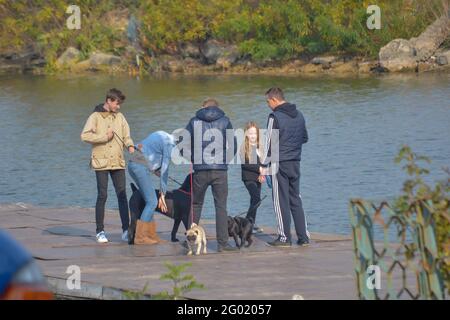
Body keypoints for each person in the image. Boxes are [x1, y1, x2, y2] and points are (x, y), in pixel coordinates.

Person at [81, 88, 135, 244]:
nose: (119, 107)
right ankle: (100, 232)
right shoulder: (95, 117)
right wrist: (104, 137)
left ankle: (126, 230)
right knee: (102, 196)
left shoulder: (120, 117)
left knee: (122, 195)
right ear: (109, 101)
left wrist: (130, 146)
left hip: (118, 161)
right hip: (101, 163)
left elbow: (126, 136)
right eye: (117, 103)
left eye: (120, 104)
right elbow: (84, 135)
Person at [184, 98, 238, 252]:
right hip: (220, 170)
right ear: (217, 107)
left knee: (195, 205)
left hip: (200, 170)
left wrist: (191, 157)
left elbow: (181, 141)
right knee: (220, 206)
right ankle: (223, 244)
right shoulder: (225, 120)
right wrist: (225, 161)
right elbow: (233, 144)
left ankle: (189, 239)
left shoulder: (194, 121)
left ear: (203, 107)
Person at [260, 87, 310, 247]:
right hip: (295, 161)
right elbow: (304, 138)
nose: (268, 105)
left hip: (278, 163)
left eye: (268, 102)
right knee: (296, 198)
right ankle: (303, 237)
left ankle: (284, 238)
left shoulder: (274, 117)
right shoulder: (300, 115)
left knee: (280, 200)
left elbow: (269, 143)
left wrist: (262, 165)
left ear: (274, 100)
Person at [128, 131, 175, 244]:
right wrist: (163, 194)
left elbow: (147, 150)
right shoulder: (170, 144)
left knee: (149, 200)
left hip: (133, 164)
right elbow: (165, 170)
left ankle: (151, 235)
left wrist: (154, 169)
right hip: (139, 167)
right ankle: (141, 237)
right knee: (153, 202)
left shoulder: (162, 134)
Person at [240, 121, 265, 233]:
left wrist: (262, 173)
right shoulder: (244, 147)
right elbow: (246, 164)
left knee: (255, 201)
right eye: (250, 133)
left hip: (258, 178)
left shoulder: (260, 146)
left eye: (254, 133)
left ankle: (250, 223)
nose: (253, 136)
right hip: (248, 178)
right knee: (256, 199)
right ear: (246, 134)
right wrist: (258, 169)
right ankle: (247, 224)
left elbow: (263, 162)